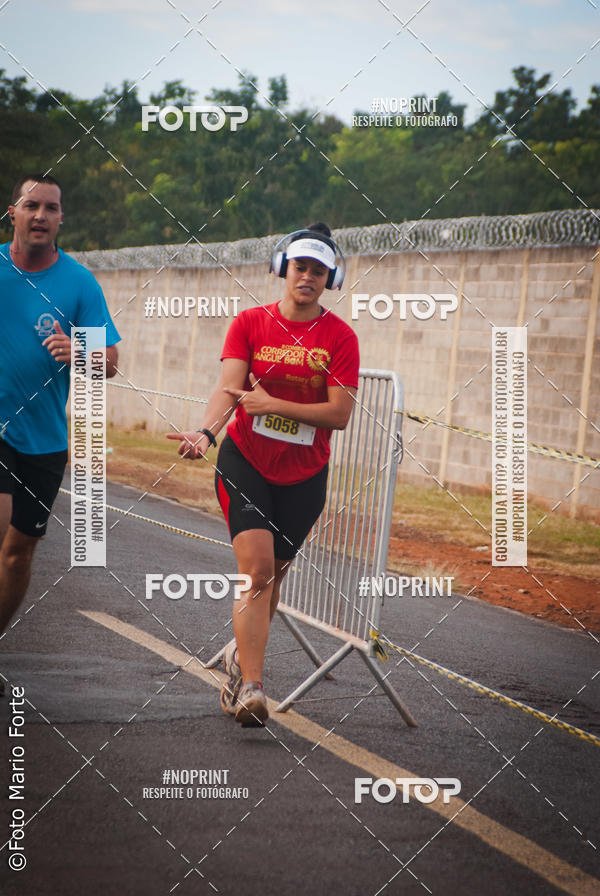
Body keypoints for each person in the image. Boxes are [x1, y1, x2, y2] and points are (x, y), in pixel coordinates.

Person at [168, 223, 359, 727]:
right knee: (254, 573)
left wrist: (273, 403)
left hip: (304, 475)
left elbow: (340, 414)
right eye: (300, 267)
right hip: (246, 461)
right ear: (283, 268)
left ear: (330, 279)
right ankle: (252, 686)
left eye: (319, 271)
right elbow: (229, 388)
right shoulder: (251, 322)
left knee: (271, 582)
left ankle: (238, 659)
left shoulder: (341, 338)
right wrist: (205, 434)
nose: (308, 277)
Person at [0, 174, 121, 657]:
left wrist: (80, 349)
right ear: (13, 211)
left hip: (45, 440)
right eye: (32, 205)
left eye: (51, 208)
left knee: (17, 552)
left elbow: (110, 361)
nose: (41, 216)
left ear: (61, 219)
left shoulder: (77, 282)